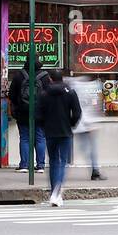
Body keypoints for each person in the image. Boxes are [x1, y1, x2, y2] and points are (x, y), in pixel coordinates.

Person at [39, 71, 81, 207]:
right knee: (62, 161)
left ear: (50, 79)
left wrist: (44, 125)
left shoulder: (44, 94)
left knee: (53, 161)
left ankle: (53, 191)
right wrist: (71, 124)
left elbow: (38, 115)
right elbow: (77, 112)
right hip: (65, 131)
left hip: (50, 132)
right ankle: (57, 192)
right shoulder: (70, 92)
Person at [7, 66, 45, 173]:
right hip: (39, 113)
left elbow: (11, 95)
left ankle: (24, 165)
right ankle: (40, 166)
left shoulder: (19, 75)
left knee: (24, 138)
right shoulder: (45, 76)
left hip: (23, 112)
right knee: (40, 138)